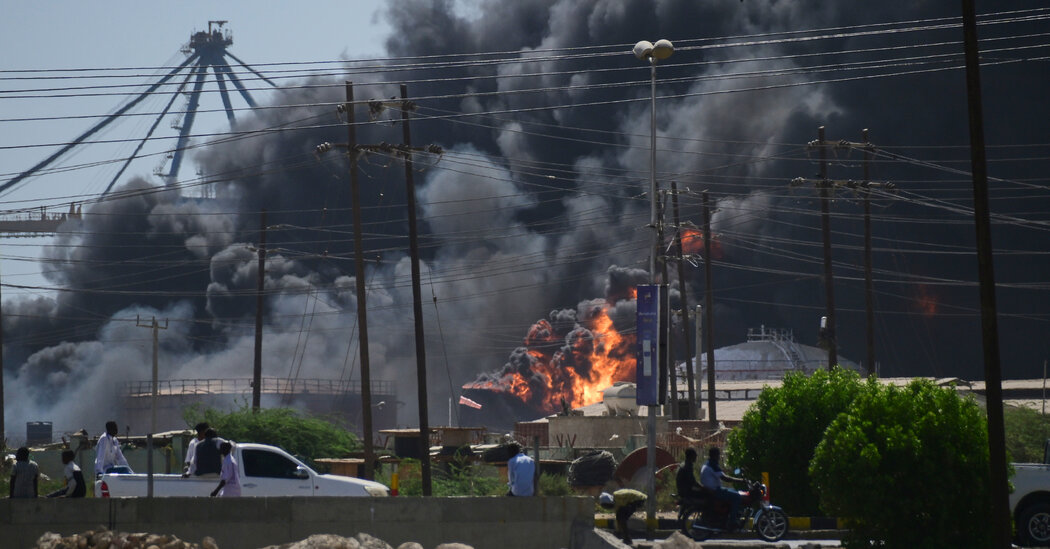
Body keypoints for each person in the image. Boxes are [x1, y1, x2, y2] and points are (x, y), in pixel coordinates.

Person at [700, 447, 743, 528]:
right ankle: (732, 521)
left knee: (733, 490)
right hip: (715, 491)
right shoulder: (713, 465)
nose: (719, 457)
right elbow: (725, 478)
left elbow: (720, 474)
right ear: (715, 455)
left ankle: (728, 515)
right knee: (737, 496)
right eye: (718, 455)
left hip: (710, 489)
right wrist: (740, 480)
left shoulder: (707, 463)